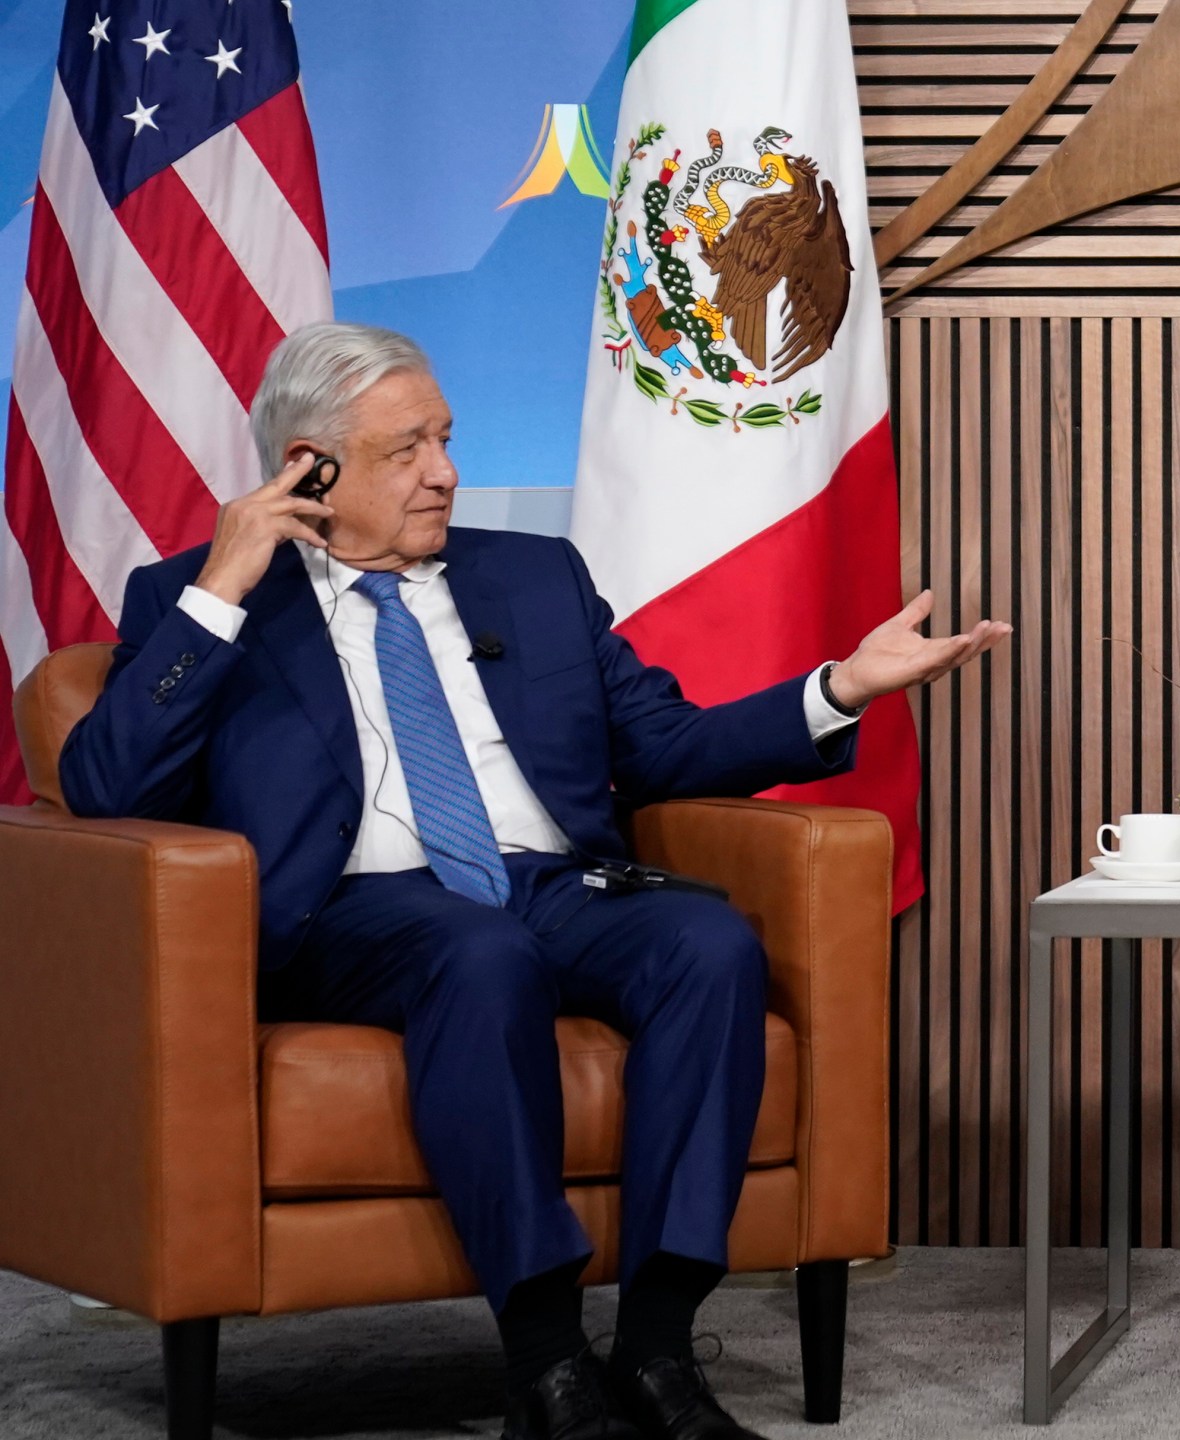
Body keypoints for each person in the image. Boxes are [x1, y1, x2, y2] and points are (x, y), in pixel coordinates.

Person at [56, 322, 1010, 1440]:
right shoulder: (207, 599)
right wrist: (222, 586)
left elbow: (664, 747)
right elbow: (104, 781)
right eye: (407, 449)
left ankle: (656, 1349)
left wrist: (839, 687)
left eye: (446, 440)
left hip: (552, 883)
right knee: (479, 951)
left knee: (709, 944)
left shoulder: (534, 575)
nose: (445, 472)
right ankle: (547, 1361)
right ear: (309, 467)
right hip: (354, 912)